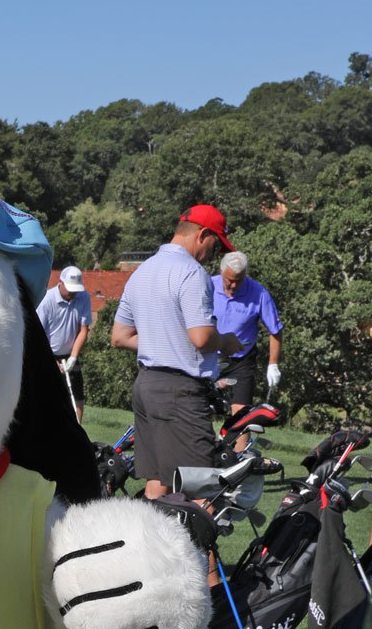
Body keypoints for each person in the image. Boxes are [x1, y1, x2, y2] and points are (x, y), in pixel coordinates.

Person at [110, 203, 245, 502]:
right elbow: (200, 337)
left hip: (146, 386)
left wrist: (161, 341)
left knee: (158, 485)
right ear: (202, 234)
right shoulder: (192, 273)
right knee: (203, 492)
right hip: (180, 393)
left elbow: (119, 337)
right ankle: (200, 551)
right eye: (215, 244)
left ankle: (148, 549)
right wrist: (225, 342)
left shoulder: (142, 271)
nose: (213, 253)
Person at [211, 250, 283, 413]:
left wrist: (273, 364)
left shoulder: (259, 293)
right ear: (222, 272)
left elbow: (275, 330)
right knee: (201, 407)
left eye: (239, 280)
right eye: (230, 280)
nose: (234, 285)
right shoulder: (208, 286)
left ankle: (241, 438)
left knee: (241, 414)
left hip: (241, 360)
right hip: (209, 356)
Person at [35, 263, 92, 422]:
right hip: (47, 354)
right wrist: (52, 361)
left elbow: (83, 330)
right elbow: (39, 335)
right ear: (60, 283)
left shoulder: (83, 297)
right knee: (47, 396)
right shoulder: (47, 300)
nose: (73, 293)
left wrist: (73, 358)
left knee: (77, 395)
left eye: (75, 290)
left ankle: (77, 431)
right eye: (70, 289)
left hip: (70, 354)